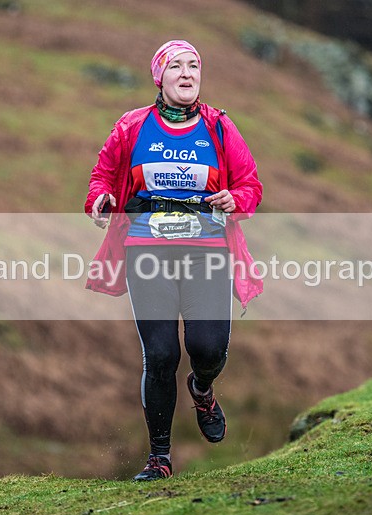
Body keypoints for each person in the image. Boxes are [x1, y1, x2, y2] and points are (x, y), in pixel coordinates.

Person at [84, 40, 263, 481]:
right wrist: (100, 199)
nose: (187, 73)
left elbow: (250, 186)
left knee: (208, 349)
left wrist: (235, 199)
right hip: (146, 250)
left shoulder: (219, 127)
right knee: (161, 354)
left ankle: (202, 389)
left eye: (194, 66)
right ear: (158, 77)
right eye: (176, 66)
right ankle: (159, 459)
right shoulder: (132, 127)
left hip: (208, 253)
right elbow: (102, 176)